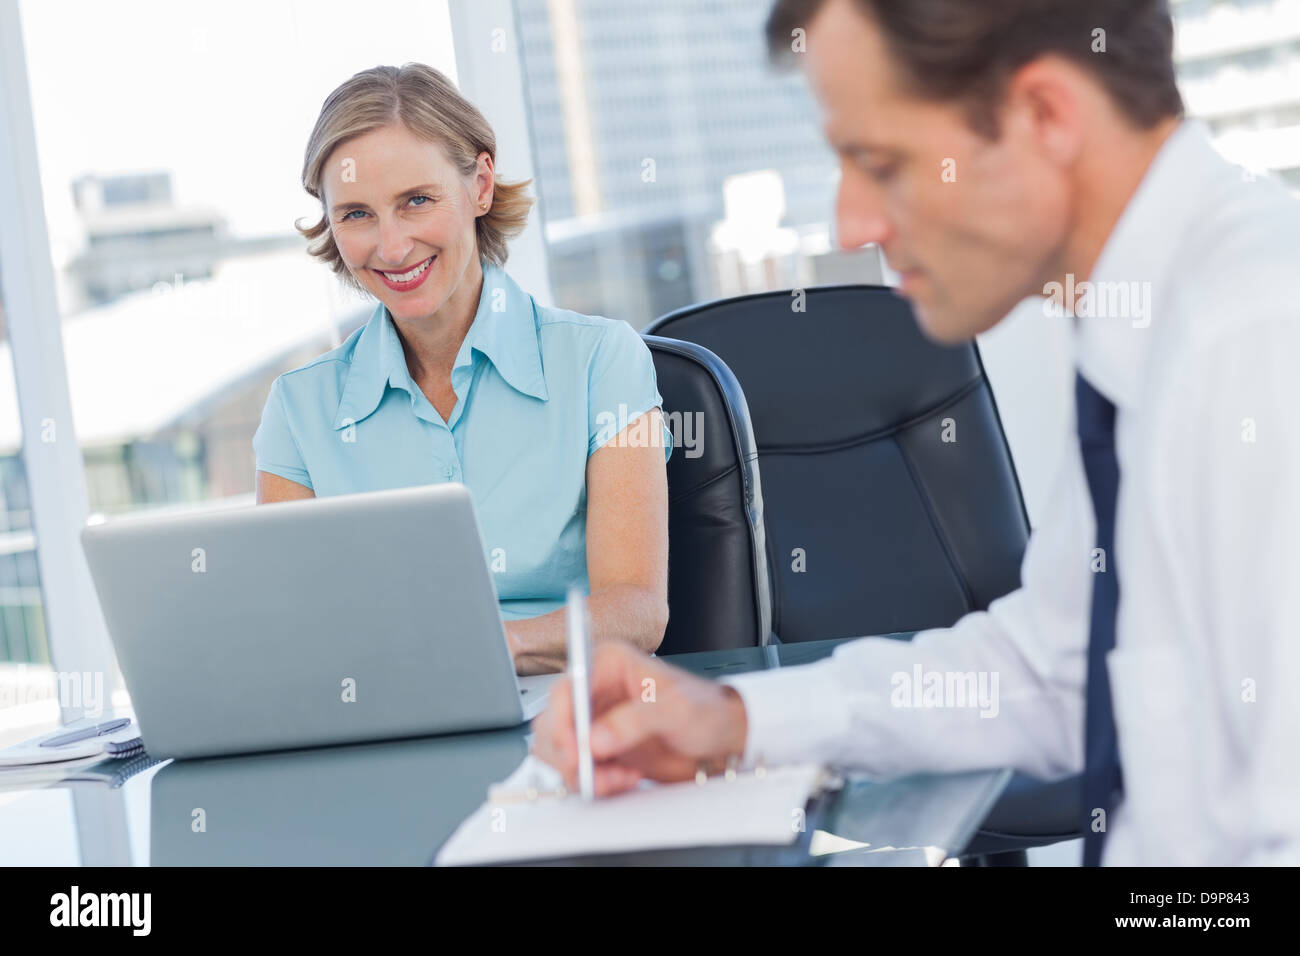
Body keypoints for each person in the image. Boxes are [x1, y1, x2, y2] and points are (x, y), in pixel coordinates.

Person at [533, 0, 1300, 864]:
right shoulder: (1152, 328)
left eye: (881, 163)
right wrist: (734, 721)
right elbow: (1053, 672)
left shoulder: (1255, 342)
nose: (851, 225)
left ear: (1046, 115)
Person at [253, 63, 672, 675]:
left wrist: (488, 648)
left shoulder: (600, 361)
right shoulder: (299, 409)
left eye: (416, 201)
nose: (391, 248)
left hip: (566, 721)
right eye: (357, 214)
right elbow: (289, 627)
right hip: (381, 723)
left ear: (480, 185)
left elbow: (636, 613)